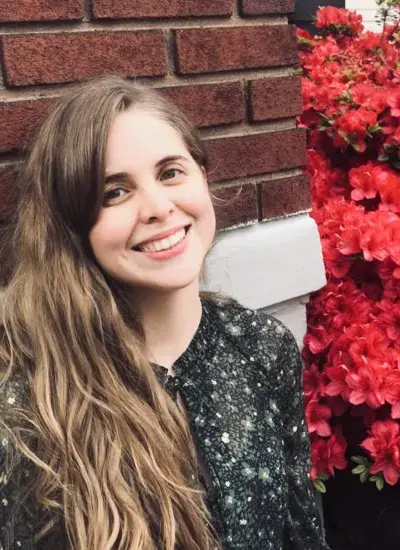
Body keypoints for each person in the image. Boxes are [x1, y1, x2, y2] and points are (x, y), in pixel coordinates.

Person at [0, 76, 328, 550]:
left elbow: (301, 532)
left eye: (170, 172)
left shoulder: (261, 346)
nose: (158, 207)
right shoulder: (30, 404)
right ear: (73, 226)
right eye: (114, 192)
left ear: (202, 175)